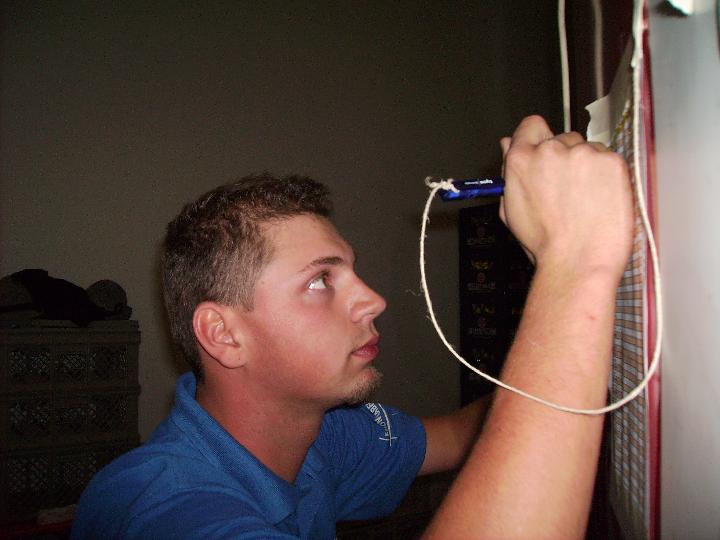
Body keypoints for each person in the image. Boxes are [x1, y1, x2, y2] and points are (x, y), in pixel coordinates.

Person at [72, 115, 633, 539]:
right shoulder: (157, 509)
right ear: (223, 334)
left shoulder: (324, 435)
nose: (374, 300)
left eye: (350, 272)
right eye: (321, 280)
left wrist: (577, 349)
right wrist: (573, 267)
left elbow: (463, 435)